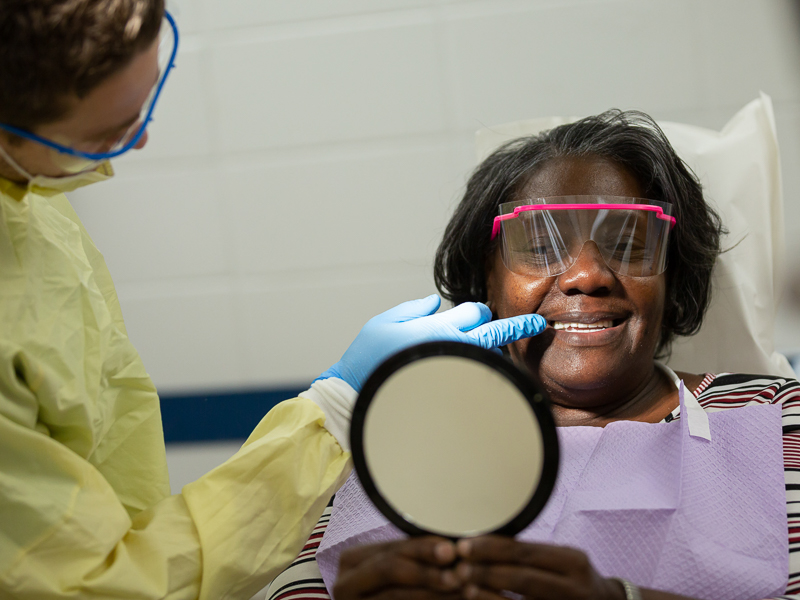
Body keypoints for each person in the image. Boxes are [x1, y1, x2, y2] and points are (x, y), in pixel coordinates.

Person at [0, 1, 545, 598]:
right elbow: (104, 586)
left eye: (152, 92)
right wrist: (336, 407)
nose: (142, 137)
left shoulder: (31, 200)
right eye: (108, 132)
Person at [267, 110, 800, 600]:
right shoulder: (385, 443)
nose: (587, 276)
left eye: (628, 242)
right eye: (541, 247)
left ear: (672, 278)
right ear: (487, 281)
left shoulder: (775, 416)